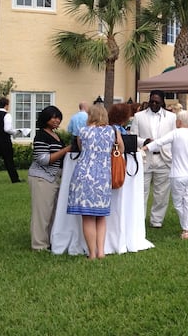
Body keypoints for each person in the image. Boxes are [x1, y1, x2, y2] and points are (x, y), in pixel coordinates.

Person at [66, 104, 123, 259]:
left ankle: (92, 253)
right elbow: (120, 150)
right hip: (103, 176)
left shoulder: (83, 131)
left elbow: (80, 147)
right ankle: (101, 251)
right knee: (101, 215)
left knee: (87, 217)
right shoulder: (113, 131)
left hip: (83, 175)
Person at [144, 110, 188, 240]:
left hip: (178, 174)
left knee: (178, 203)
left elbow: (159, 142)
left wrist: (145, 148)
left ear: (179, 122)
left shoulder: (175, 133)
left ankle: (186, 229)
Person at [130, 90, 177, 228]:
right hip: (145, 158)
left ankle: (157, 220)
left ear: (162, 102)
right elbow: (133, 136)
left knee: (161, 192)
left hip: (164, 158)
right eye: (152, 101)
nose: (154, 104)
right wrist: (144, 141)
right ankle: (139, 219)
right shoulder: (139, 116)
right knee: (141, 190)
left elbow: (174, 137)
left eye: (157, 102)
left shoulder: (171, 117)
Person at [28, 105, 71, 251]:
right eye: (53, 117)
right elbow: (43, 159)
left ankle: (50, 241)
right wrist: (65, 150)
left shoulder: (54, 135)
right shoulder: (41, 135)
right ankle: (39, 245)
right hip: (42, 177)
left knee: (52, 212)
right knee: (42, 214)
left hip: (53, 178)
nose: (56, 120)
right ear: (45, 119)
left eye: (58, 117)